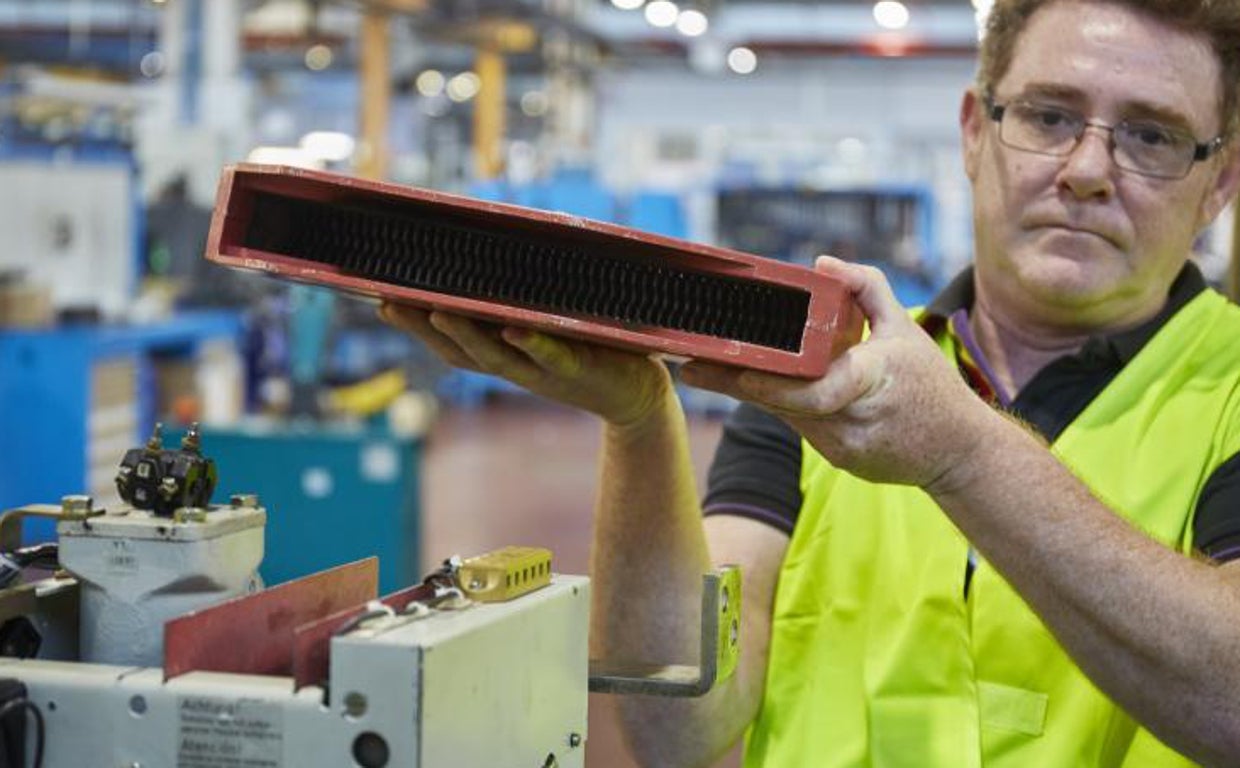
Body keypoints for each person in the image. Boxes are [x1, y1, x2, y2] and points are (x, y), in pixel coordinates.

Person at [380, 0, 1240, 764]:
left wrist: (961, 453)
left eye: (1152, 135)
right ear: (976, 133)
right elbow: (678, 727)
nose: (1087, 170)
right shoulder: (832, 371)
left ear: (1220, 185)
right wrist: (641, 423)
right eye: (1051, 117)